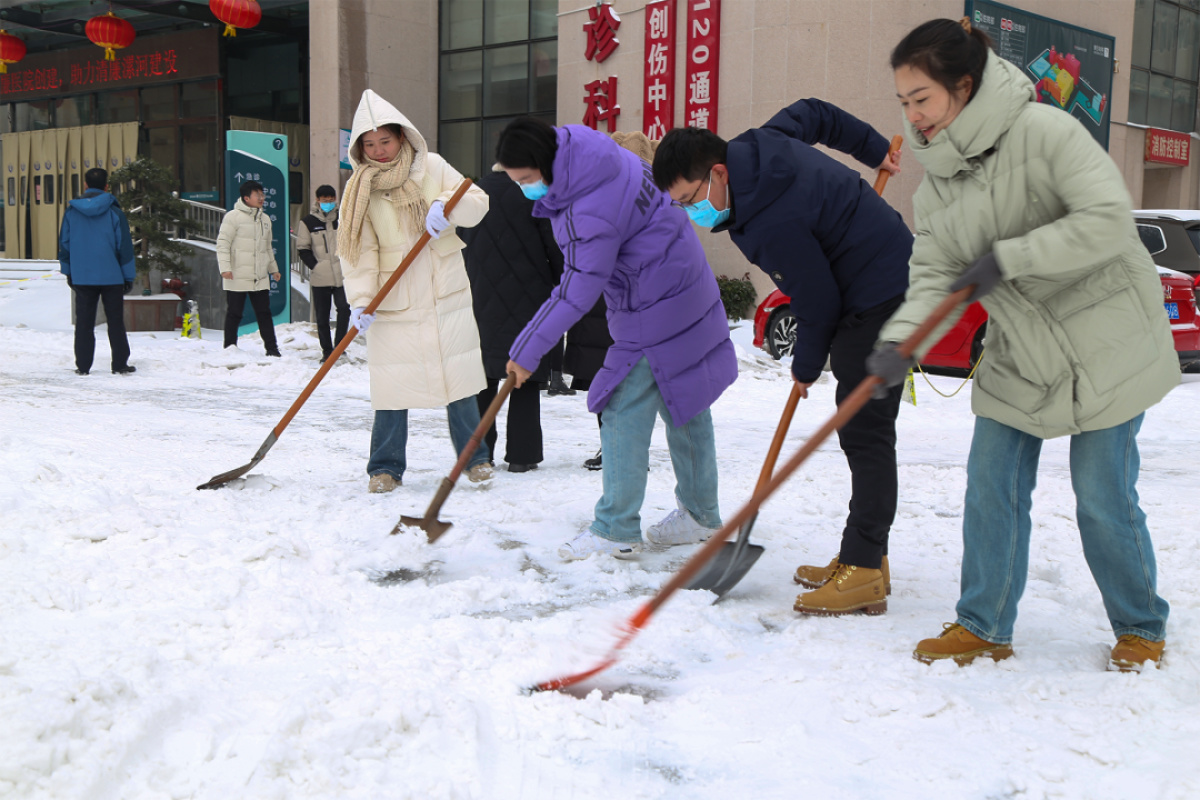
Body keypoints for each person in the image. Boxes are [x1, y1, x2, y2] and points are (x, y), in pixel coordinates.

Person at [869, 18, 1176, 671]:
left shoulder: (1045, 133)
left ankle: (1141, 623)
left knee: (1101, 494)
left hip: (1107, 337)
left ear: (963, 86)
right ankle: (983, 624)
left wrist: (1011, 258)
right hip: (1020, 345)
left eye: (921, 98)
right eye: (903, 101)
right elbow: (932, 279)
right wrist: (900, 342)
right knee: (991, 484)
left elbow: (1105, 220)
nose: (912, 115)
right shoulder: (936, 189)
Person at [652, 100, 910, 616]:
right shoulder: (760, 144)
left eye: (690, 199)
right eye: (679, 205)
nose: (691, 214)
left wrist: (805, 366)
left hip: (881, 293)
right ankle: (865, 555)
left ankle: (863, 568)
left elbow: (818, 300)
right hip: (873, 272)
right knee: (862, 428)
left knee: (865, 430)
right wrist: (874, 149)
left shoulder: (772, 219)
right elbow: (815, 114)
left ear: (718, 172)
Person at [496, 117, 737, 561]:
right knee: (687, 399)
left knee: (622, 406)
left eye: (527, 180)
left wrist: (527, 351)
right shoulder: (595, 154)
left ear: (547, 162)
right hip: (687, 285)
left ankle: (615, 528)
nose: (524, 189)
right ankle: (701, 513)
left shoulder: (589, 208)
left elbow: (575, 290)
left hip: (653, 303)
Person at [337, 89, 492, 493]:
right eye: (369, 145)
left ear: (402, 136)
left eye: (385, 141)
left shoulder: (433, 167)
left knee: (459, 381)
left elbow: (477, 201)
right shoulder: (359, 190)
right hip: (394, 298)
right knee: (391, 389)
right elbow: (359, 253)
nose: (379, 151)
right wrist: (360, 302)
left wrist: (445, 206)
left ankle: (475, 459)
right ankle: (384, 468)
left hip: (444, 293)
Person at [461, 167, 564, 473]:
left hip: (479, 295)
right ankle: (523, 454)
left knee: (482, 377)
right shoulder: (533, 194)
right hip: (529, 297)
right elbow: (555, 246)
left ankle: (479, 454)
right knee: (525, 374)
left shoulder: (473, 193)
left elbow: (459, 244)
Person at [58, 167, 137, 376]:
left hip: (82, 276)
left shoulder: (72, 212)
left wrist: (68, 271)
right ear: (106, 186)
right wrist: (128, 276)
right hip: (112, 276)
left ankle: (83, 366)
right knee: (115, 321)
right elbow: (124, 247)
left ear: (85, 185)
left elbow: (64, 244)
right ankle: (119, 364)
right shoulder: (114, 212)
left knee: (84, 322)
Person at [217, 179, 282, 357]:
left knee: (264, 313)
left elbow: (267, 247)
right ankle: (229, 348)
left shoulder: (265, 219)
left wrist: (273, 269)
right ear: (246, 198)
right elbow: (223, 244)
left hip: (259, 275)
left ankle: (272, 349)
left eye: (262, 194)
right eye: (257, 195)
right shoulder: (232, 217)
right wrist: (225, 268)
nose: (262, 198)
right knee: (235, 313)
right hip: (237, 274)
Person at [297, 184, 350, 363]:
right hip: (320, 276)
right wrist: (316, 266)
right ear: (317, 200)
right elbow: (303, 248)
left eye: (331, 199)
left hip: (342, 275)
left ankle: (340, 348)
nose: (328, 202)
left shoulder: (342, 219)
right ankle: (327, 351)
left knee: (344, 309)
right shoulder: (308, 222)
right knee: (322, 316)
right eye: (324, 199)